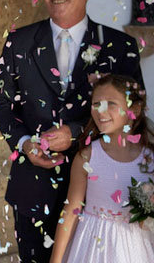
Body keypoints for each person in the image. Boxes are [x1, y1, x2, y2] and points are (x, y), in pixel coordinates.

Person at [0, 0, 144, 262]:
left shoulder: (118, 46)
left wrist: (75, 132)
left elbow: (132, 109)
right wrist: (25, 143)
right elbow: (0, 104)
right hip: (33, 185)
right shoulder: (18, 41)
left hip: (99, 192)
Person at [50, 74, 154, 262]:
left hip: (135, 249)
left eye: (111, 103)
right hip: (92, 247)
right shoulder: (87, 157)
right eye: (96, 104)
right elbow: (71, 210)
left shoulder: (150, 159)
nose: (101, 111)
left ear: (135, 109)